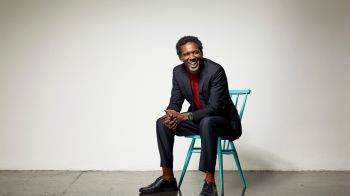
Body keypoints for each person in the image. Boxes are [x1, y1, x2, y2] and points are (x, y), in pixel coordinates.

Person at [139, 36, 242, 196]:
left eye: (196, 52)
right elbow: (175, 101)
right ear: (180, 57)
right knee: (162, 123)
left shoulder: (215, 70)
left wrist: (185, 116)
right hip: (199, 121)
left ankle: (209, 183)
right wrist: (171, 114)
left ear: (201, 53)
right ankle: (168, 179)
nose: (192, 57)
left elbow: (215, 108)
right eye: (187, 54)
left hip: (224, 122)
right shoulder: (178, 72)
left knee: (207, 122)